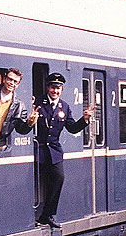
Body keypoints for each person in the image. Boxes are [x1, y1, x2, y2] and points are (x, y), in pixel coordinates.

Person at [33, 72, 93, 228]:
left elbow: (72, 128)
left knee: (59, 178)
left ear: (62, 89)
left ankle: (47, 215)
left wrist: (85, 119)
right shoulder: (38, 102)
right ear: (48, 87)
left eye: (58, 88)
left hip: (54, 150)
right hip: (38, 149)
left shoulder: (64, 106)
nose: (55, 91)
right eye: (53, 87)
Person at [0, 68, 35, 150]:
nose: (12, 83)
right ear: (4, 79)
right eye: (10, 79)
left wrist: (30, 122)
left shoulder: (19, 106)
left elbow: (21, 130)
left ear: (18, 85)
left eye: (15, 81)